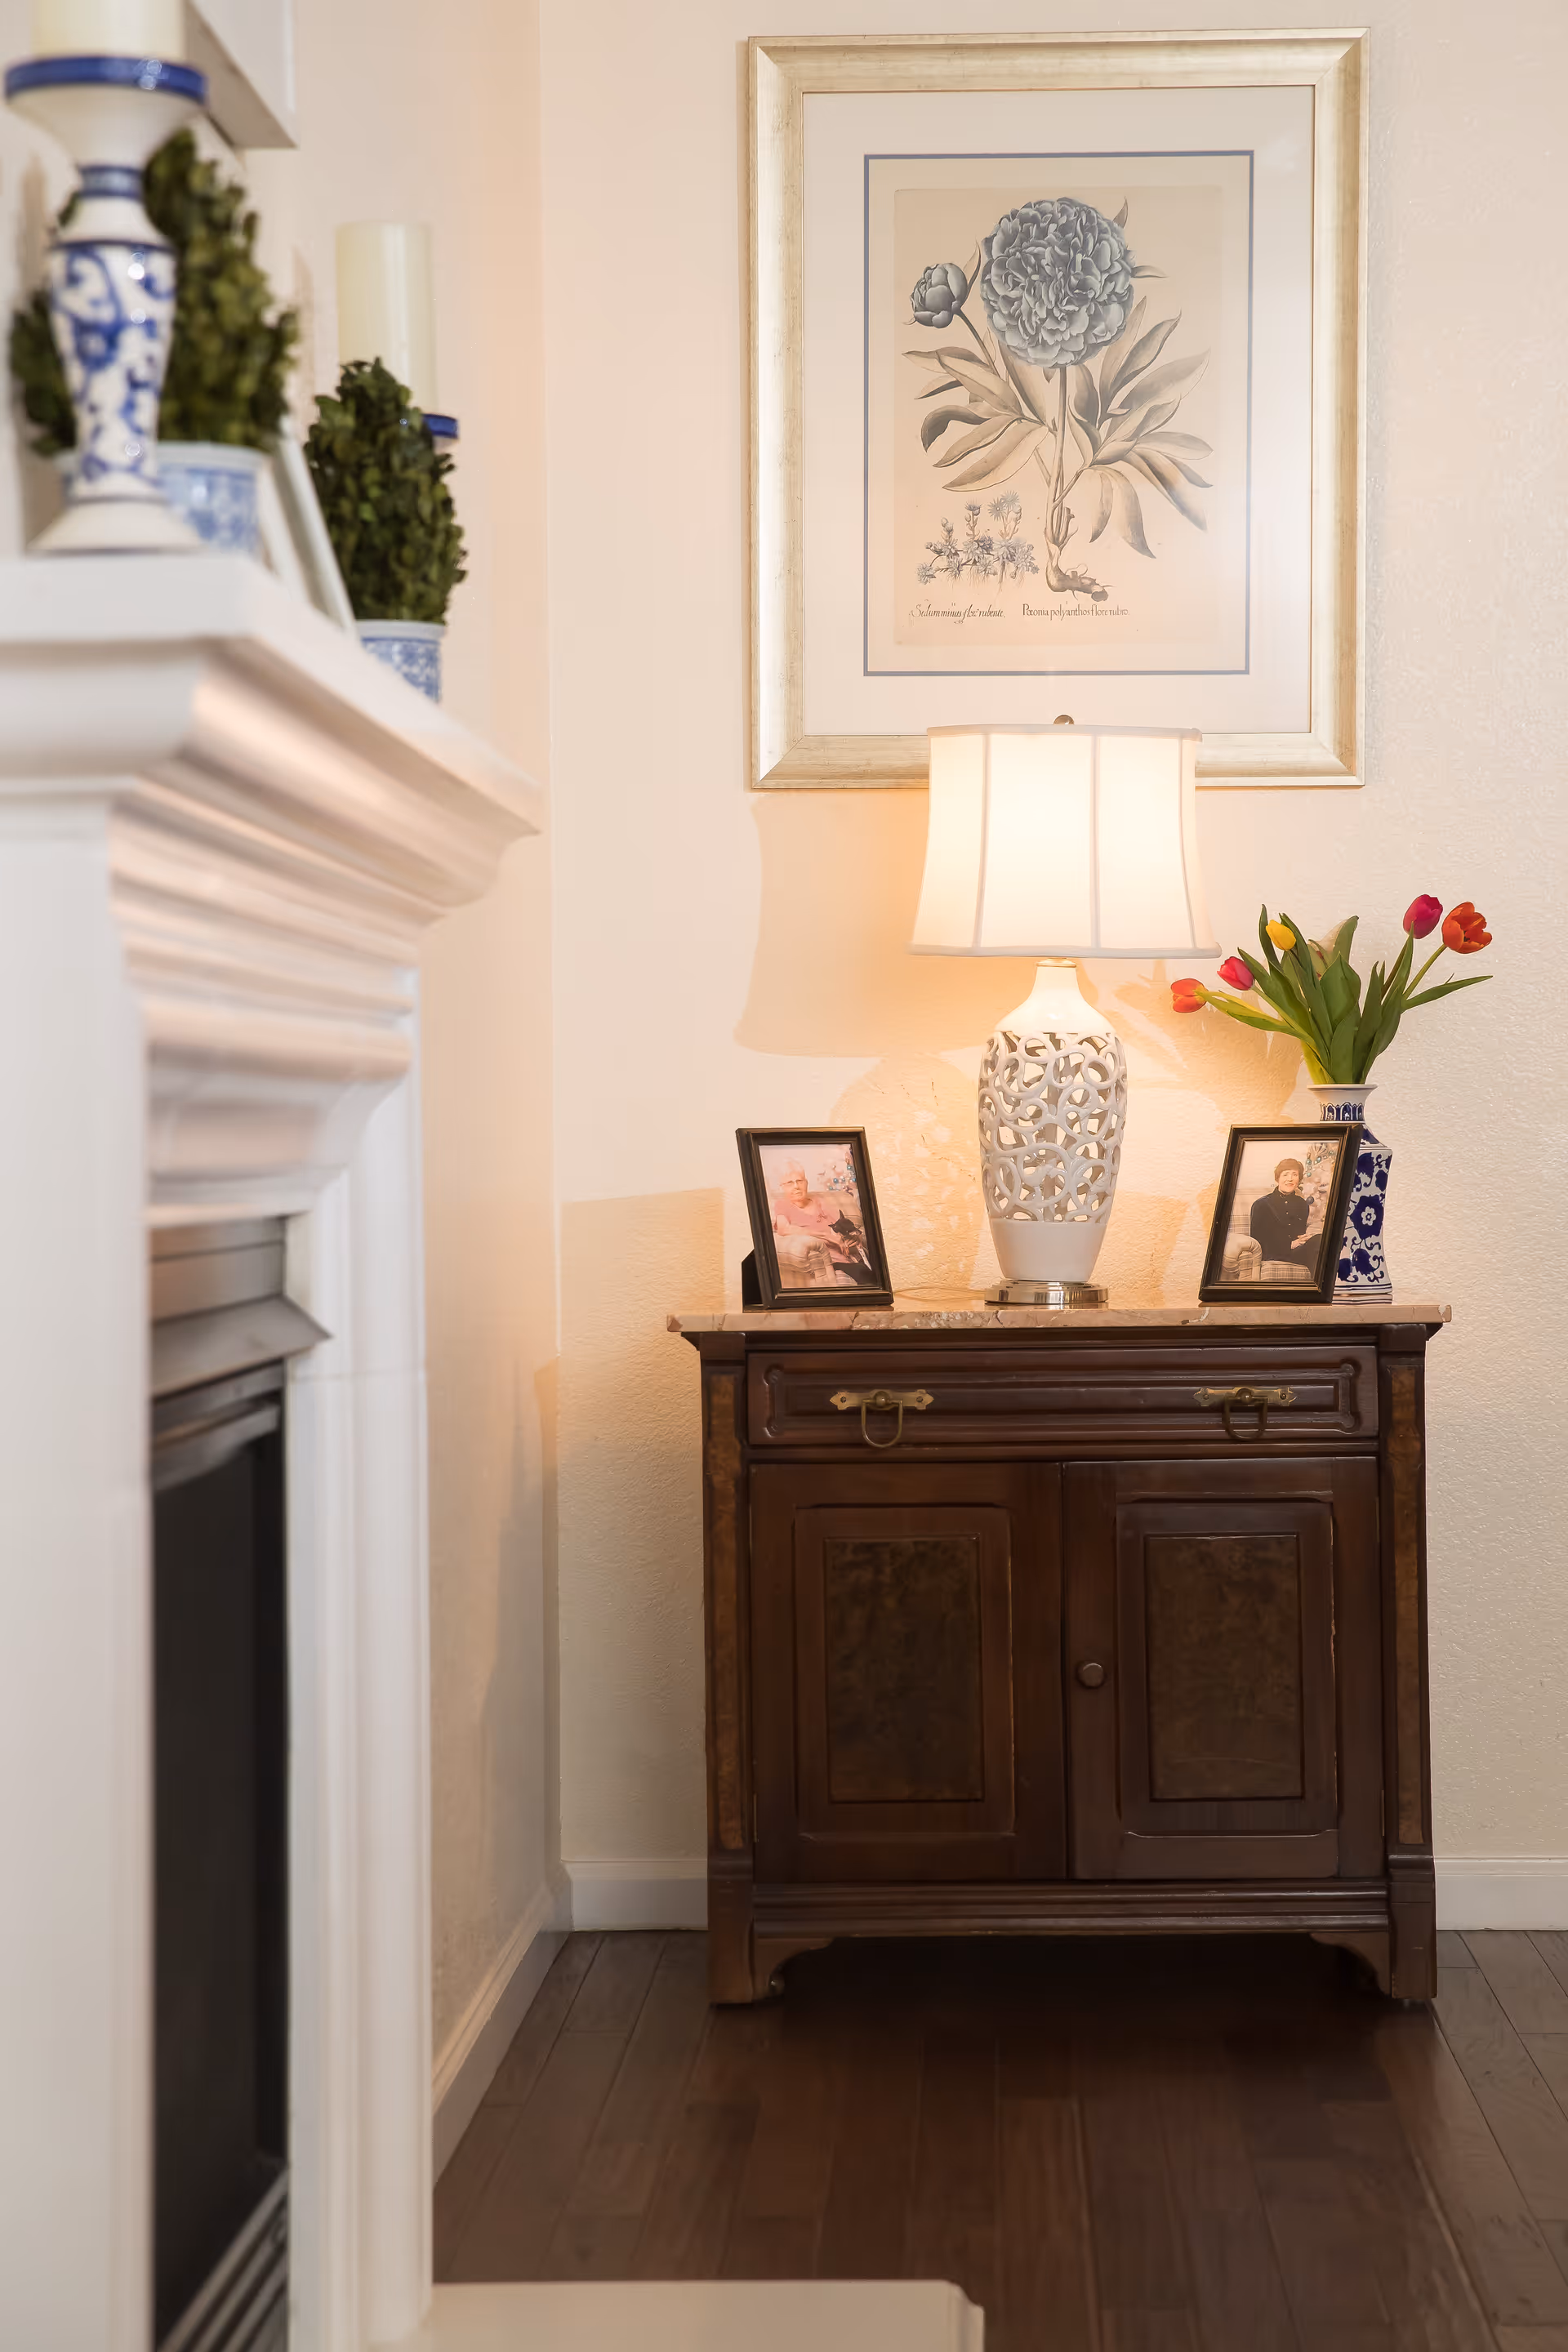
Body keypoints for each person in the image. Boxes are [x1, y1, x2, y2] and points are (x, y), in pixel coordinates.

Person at [770, 1160, 875, 1287]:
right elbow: (783, 1229)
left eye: (800, 1181)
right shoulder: (783, 1205)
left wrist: (854, 1237)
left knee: (874, 1268)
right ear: (782, 1186)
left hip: (850, 1258)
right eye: (789, 1183)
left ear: (806, 1183)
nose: (796, 1186)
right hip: (830, 1262)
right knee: (863, 1272)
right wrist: (825, 1235)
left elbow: (845, 1225)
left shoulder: (818, 1202)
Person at [1248, 1156, 1322, 1276]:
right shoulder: (1261, 1204)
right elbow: (1257, 1240)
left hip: (1297, 1253)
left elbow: (1297, 1233)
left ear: (1299, 1179)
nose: (1290, 1179)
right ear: (1278, 1178)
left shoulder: (1302, 1204)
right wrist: (1289, 1244)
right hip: (1274, 1254)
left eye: (1295, 1175)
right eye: (1286, 1175)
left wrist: (1304, 1238)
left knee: (1322, 1240)